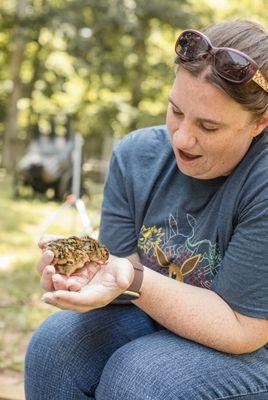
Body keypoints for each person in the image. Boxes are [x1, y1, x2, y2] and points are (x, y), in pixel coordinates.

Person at [25, 19, 268, 400]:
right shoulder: (136, 156)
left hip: (255, 347)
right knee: (55, 348)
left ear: (260, 123)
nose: (183, 138)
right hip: (162, 321)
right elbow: (122, 282)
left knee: (141, 377)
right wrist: (90, 275)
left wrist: (131, 278)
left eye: (209, 126)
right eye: (176, 111)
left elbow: (243, 329)